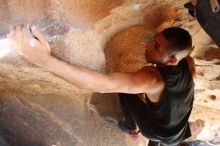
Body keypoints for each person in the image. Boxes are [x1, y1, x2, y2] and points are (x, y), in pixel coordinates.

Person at [7, 25, 195, 146]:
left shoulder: (152, 79)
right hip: (179, 129)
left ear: (171, 60)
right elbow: (184, 67)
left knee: (126, 94)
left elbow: (105, 85)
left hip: (158, 131)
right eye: (153, 40)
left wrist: (43, 60)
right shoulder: (188, 63)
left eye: (156, 46)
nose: (148, 46)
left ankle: (131, 129)